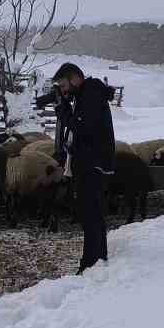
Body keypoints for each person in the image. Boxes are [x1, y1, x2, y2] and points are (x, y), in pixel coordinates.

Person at [51, 62, 115, 273]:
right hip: (90, 163)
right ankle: (98, 257)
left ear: (75, 78)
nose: (63, 90)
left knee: (90, 214)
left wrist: (64, 111)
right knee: (92, 212)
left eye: (63, 85)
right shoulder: (86, 95)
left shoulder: (91, 95)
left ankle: (89, 263)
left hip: (92, 164)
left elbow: (83, 128)